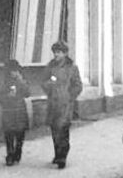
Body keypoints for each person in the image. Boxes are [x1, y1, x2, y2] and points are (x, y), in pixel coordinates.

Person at [42, 40, 82, 170]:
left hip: (65, 105)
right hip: (53, 103)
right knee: (54, 130)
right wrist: (49, 85)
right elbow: (43, 82)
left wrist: (70, 96)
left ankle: (62, 157)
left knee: (63, 130)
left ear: (65, 53)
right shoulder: (50, 66)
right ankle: (57, 153)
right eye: (54, 52)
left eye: (58, 52)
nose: (56, 55)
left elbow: (78, 85)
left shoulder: (72, 67)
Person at [0, 59, 30, 166]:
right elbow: (0, 97)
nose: (13, 73)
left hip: (20, 110)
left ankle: (18, 151)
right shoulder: (5, 82)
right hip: (8, 110)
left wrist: (21, 81)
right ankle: (10, 155)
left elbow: (27, 93)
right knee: (8, 133)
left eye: (15, 70)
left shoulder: (22, 80)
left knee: (20, 134)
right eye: (11, 71)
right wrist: (8, 97)